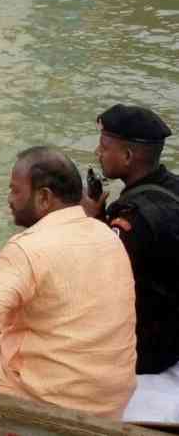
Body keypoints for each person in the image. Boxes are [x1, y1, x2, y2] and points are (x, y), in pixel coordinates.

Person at [0, 147, 136, 419]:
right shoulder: (108, 236)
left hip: (49, 399)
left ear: (44, 198)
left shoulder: (27, 248)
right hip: (112, 400)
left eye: (15, 191)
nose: (9, 200)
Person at [81, 104, 179, 422]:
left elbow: (98, 277)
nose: (98, 152)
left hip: (149, 350)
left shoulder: (132, 218)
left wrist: (87, 223)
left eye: (105, 147)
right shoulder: (171, 189)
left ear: (127, 157)